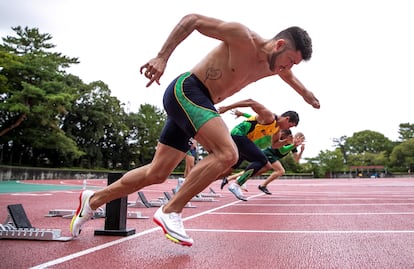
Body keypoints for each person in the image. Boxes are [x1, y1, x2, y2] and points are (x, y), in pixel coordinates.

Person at [69, 13, 319, 247]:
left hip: (199, 106)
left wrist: (307, 94)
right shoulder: (242, 36)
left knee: (157, 173)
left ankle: (93, 199)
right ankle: (170, 210)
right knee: (227, 153)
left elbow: (289, 78)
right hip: (189, 90)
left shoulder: (275, 67)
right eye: (290, 61)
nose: (288, 69)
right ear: (279, 45)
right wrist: (162, 57)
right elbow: (193, 20)